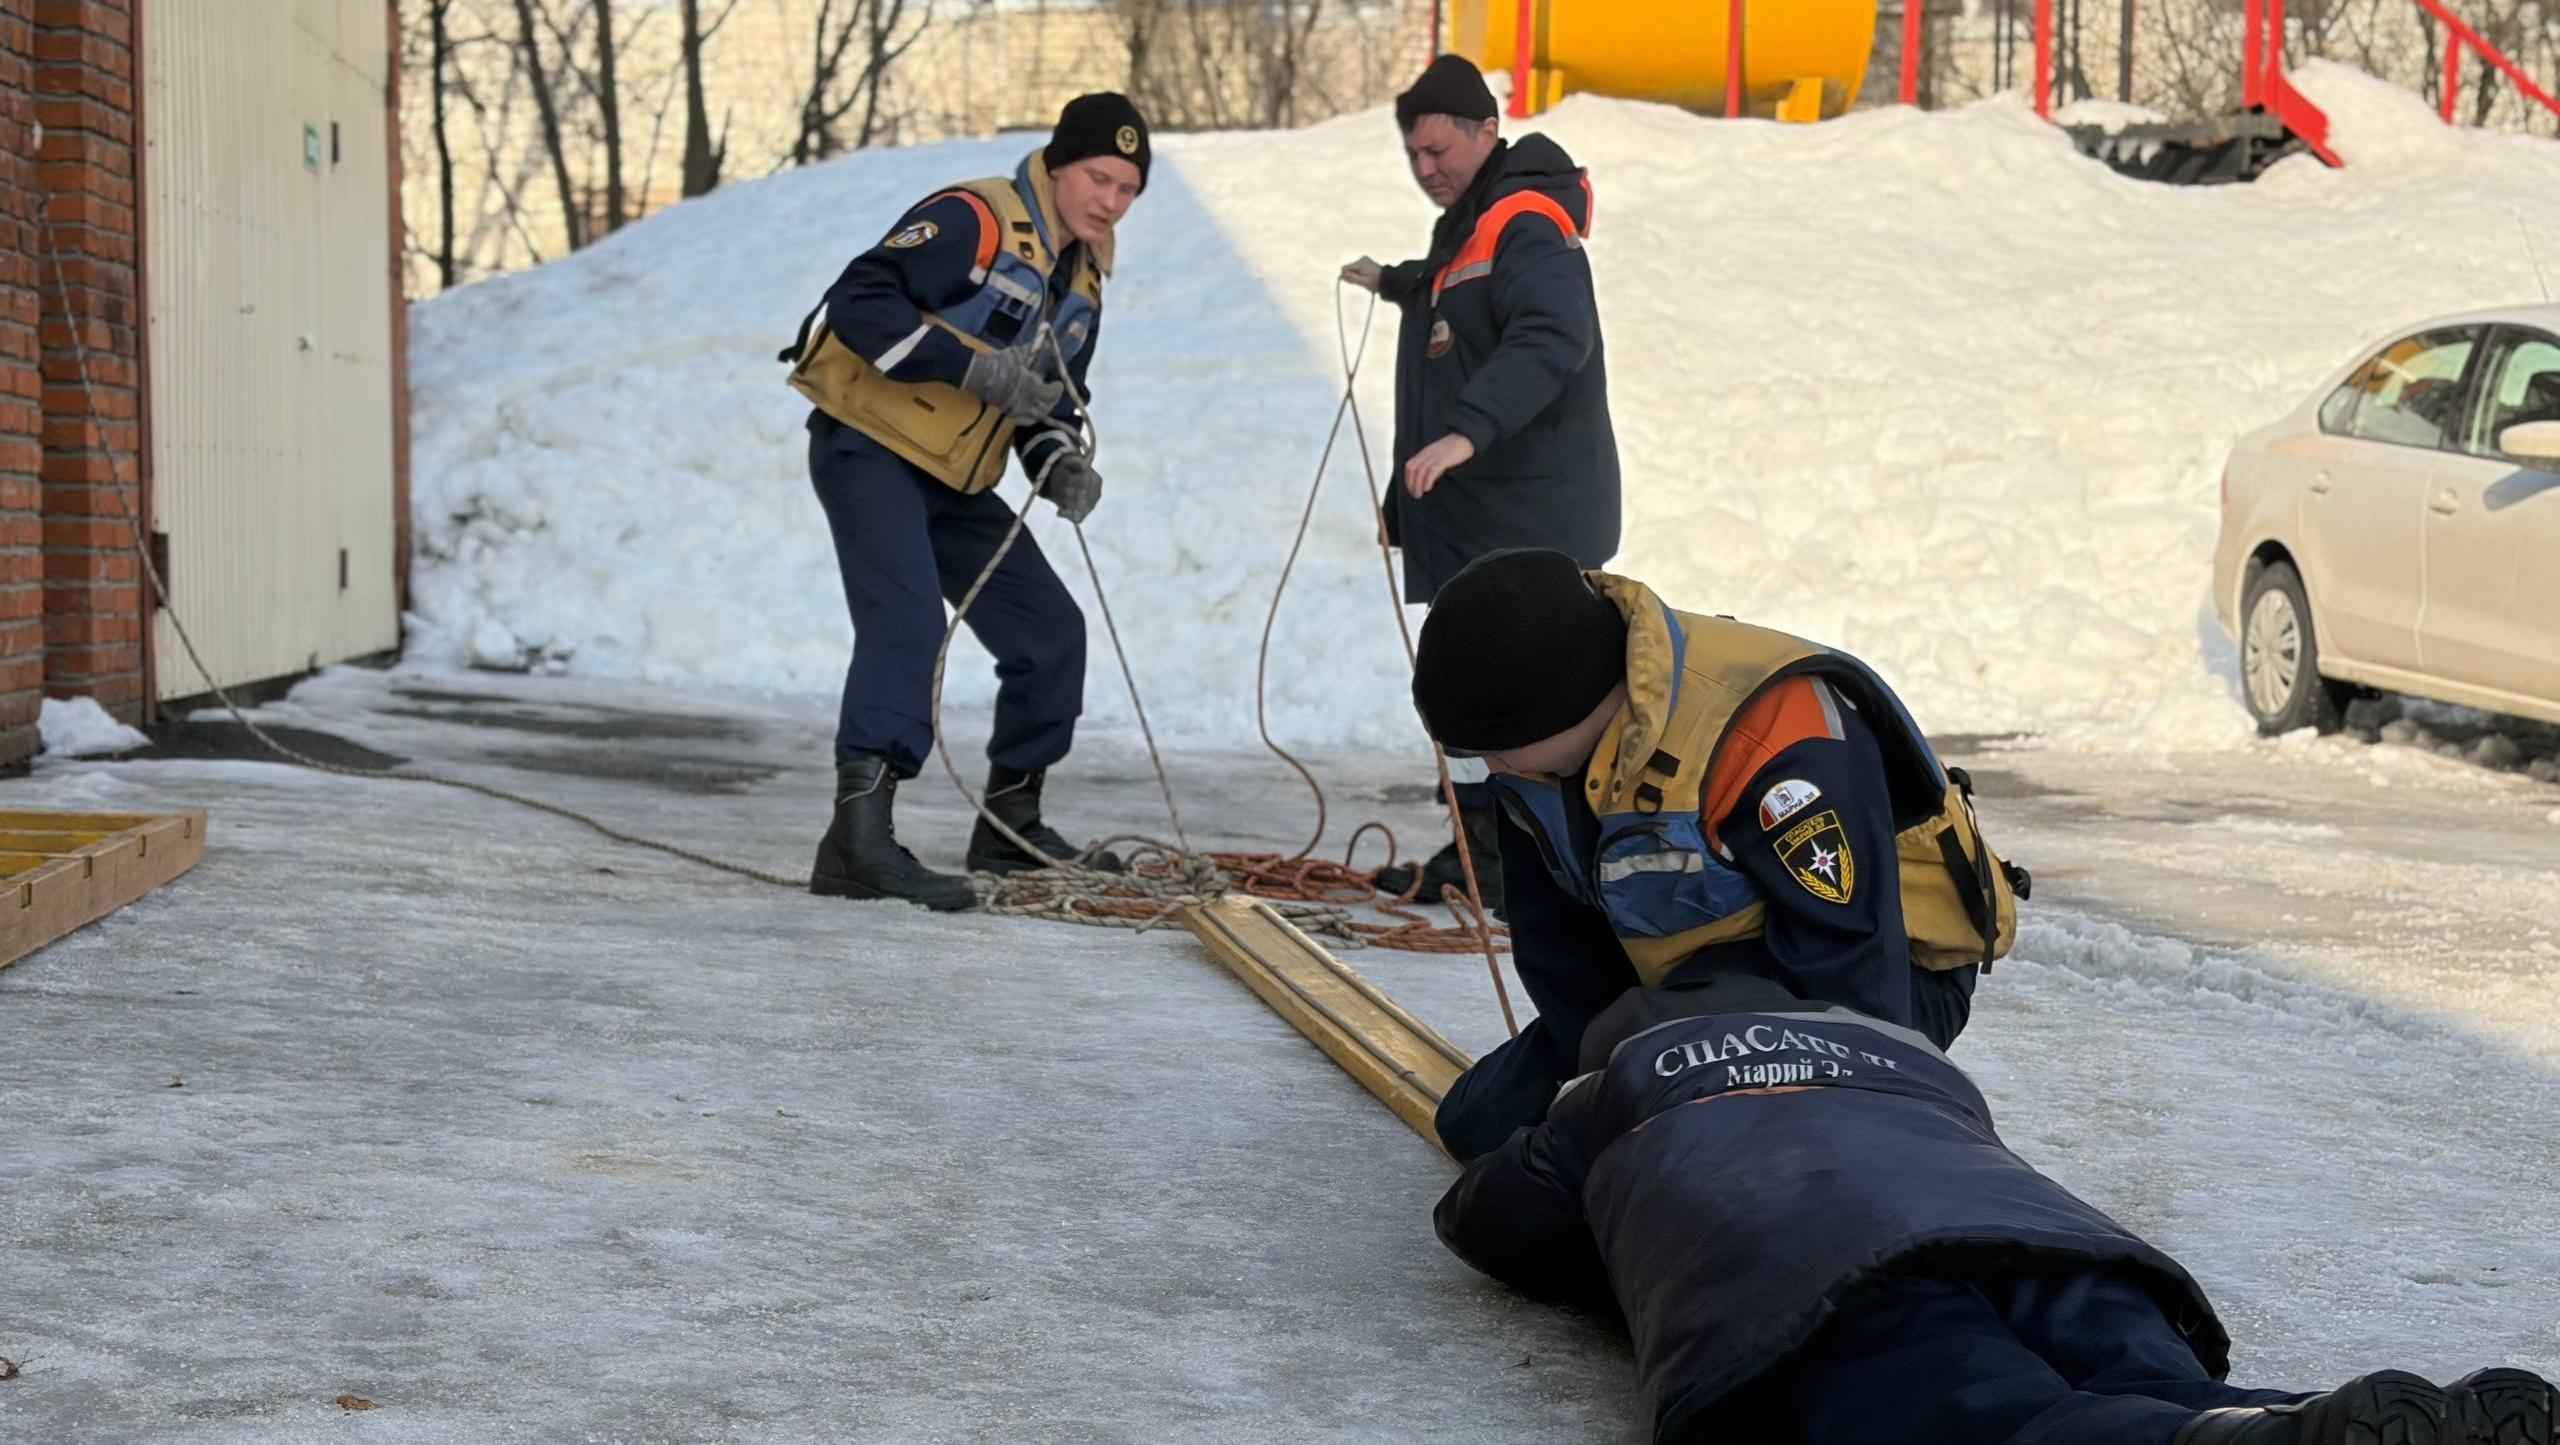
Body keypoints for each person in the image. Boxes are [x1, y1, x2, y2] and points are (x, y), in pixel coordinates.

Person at [1433, 963, 2558, 1445]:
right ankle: (2292, 1418)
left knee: (1993, 1417)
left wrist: (1567, 1135)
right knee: (2155, 1382)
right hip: (2051, 1237)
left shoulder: (1626, 1081)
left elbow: (1490, 1220)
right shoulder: (1904, 1051)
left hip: (1815, 1279)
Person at [1405, 549, 2022, 1160]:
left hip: (1883, 984)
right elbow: (1557, 949)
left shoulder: (1769, 731)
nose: (1490, 768)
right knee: (1477, 1126)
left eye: (1497, 749)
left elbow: (1854, 974)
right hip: (1688, 982)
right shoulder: (1536, 760)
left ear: (1565, 708)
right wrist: (1595, 1075)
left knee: (1623, 1092)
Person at [779, 94, 1149, 910]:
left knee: (1051, 632)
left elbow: (1051, 400)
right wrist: (973, 368)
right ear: (1057, 164)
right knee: (905, 623)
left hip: (956, 478)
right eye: (1099, 177)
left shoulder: (1082, 273)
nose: (1110, 201)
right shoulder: (974, 217)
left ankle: (1011, 826)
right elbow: (860, 300)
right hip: (869, 447)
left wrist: (1057, 465)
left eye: (1128, 189)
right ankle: (856, 841)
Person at [1340, 56, 1621, 910]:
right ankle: (1481, 853)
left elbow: (1548, 334)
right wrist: (1393, 284)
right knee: (1459, 687)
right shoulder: (1465, 230)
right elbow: (1449, 327)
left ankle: (1535, 865)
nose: (1426, 169)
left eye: (1438, 150)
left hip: (1526, 512)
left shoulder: (1524, 220)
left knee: (1525, 693)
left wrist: (1466, 433)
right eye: (1413, 156)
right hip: (1471, 516)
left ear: (1485, 130)